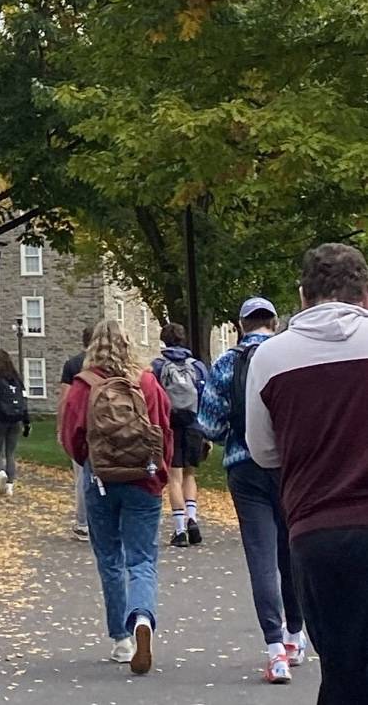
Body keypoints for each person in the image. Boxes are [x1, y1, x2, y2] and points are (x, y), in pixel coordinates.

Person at [246, 243, 368, 703]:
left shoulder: (271, 359)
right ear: (364, 294)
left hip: (317, 529)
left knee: (341, 669)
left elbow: (263, 450)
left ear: (302, 295)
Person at [198, 297, 307, 684]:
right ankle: (295, 635)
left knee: (261, 555)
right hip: (288, 465)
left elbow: (209, 424)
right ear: (274, 322)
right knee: (291, 549)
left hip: (244, 466)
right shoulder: (288, 356)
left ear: (241, 325)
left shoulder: (225, 364)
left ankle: (275, 650)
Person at [60, 318, 174, 675]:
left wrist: (91, 463)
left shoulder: (83, 385)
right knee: (141, 559)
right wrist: (161, 471)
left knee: (109, 558)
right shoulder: (147, 382)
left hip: (101, 481)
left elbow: (70, 437)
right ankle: (142, 618)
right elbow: (163, 428)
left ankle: (122, 640)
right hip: (143, 480)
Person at [151, 322, 210, 548]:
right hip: (194, 425)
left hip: (170, 426)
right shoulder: (197, 366)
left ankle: (180, 529)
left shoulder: (158, 366)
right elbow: (205, 397)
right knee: (190, 474)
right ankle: (192, 519)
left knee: (173, 477)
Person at [59, 326, 94, 542]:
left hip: (79, 426)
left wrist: (61, 428)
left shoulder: (73, 364)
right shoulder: (108, 364)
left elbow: (65, 399)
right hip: (105, 424)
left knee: (81, 475)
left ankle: (83, 523)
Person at [0, 349, 31, 498]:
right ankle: (9, 486)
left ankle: (1, 472)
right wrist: (26, 421)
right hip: (16, 419)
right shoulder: (17, 378)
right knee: (10, 453)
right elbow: (24, 400)